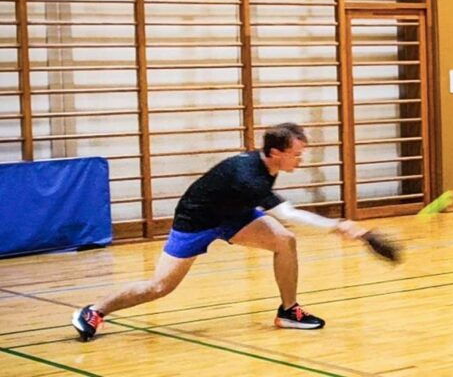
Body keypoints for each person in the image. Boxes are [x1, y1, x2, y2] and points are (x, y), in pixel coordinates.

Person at [72, 123, 367, 341]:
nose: (300, 160)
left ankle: (289, 311)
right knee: (160, 287)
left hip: (234, 215)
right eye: (296, 154)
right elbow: (286, 213)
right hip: (197, 221)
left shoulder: (266, 167)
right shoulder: (249, 178)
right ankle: (94, 311)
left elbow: (279, 218)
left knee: (285, 241)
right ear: (277, 153)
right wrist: (337, 226)